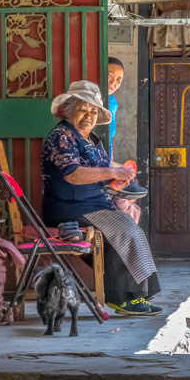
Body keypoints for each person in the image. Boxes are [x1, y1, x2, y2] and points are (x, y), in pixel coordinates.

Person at [41, 80, 162, 316]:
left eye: (93, 110)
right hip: (70, 208)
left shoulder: (92, 139)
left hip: (94, 205)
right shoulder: (62, 136)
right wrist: (114, 172)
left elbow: (103, 171)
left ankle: (136, 296)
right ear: (67, 109)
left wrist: (123, 180)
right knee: (123, 231)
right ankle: (125, 299)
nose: (88, 115)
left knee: (131, 228)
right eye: (82, 108)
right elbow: (74, 175)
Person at [105, 57, 147, 208]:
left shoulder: (112, 101)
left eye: (119, 79)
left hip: (108, 146)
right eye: (110, 75)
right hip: (97, 146)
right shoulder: (95, 99)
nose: (113, 82)